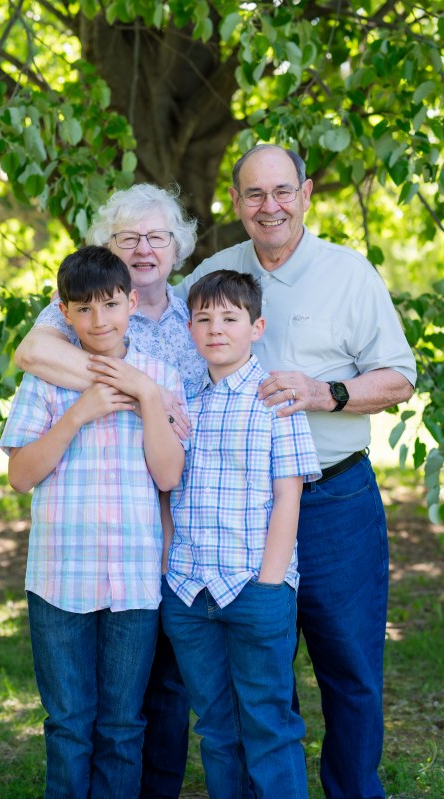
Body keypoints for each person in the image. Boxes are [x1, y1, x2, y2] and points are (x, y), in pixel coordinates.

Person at [172, 144, 417, 799]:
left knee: (349, 665)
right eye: (254, 194)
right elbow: (143, 323)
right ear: (236, 201)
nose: (270, 206)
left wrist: (322, 392)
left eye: (283, 190)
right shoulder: (215, 272)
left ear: (306, 194)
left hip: (333, 500)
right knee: (258, 674)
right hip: (237, 512)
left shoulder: (348, 272)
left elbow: (400, 377)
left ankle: (352, 790)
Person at [14, 184, 203, 798]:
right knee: (70, 723)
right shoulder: (53, 363)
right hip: (61, 572)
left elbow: (169, 474)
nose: (100, 319)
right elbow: (20, 473)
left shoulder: (175, 348)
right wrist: (82, 410)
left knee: (128, 722)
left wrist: (147, 393)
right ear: (65, 311)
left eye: (156, 237)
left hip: (140, 566)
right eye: (130, 238)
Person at [161, 270, 321, 799]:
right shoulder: (182, 401)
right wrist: (168, 565)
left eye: (230, 318)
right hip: (190, 592)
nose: (215, 329)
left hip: (255, 587)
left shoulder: (275, 399)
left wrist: (270, 585)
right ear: (189, 328)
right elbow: (167, 489)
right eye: (203, 319)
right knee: (215, 726)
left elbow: (288, 496)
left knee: (268, 724)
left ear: (256, 327)